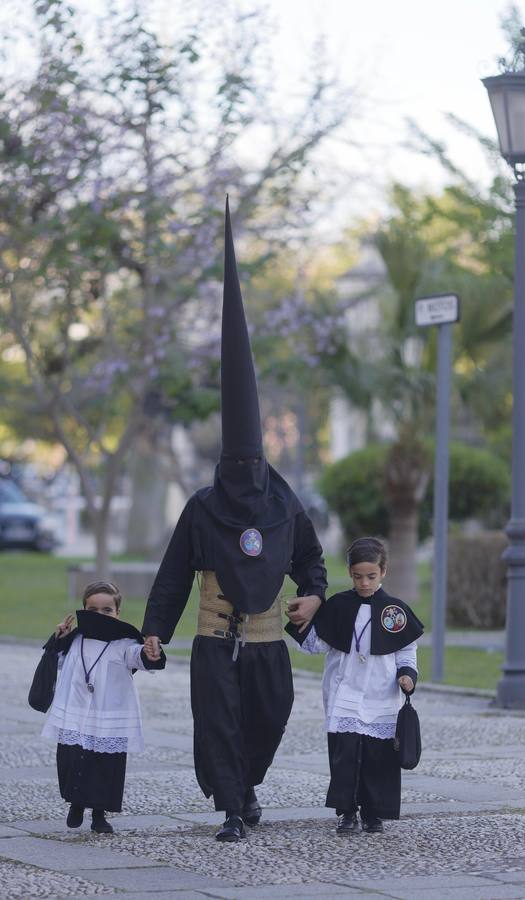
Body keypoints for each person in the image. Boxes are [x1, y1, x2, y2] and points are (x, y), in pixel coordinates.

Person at [142, 198, 327, 843]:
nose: (245, 473)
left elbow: (311, 559)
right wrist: (155, 632)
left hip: (269, 637)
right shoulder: (202, 508)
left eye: (253, 463)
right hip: (215, 637)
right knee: (219, 722)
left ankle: (247, 785)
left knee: (270, 715)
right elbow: (173, 576)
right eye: (236, 464)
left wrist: (313, 595)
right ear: (224, 463)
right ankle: (231, 805)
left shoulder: (284, 503)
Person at [286, 537, 423, 835]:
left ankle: (374, 812)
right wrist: (299, 620)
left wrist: (407, 675)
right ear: (350, 572)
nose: (364, 583)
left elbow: (406, 650)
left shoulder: (395, 611)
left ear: (383, 571)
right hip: (344, 691)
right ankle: (347, 811)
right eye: (358, 576)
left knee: (378, 756)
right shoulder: (338, 606)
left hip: (381, 693)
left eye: (371, 576)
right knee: (344, 755)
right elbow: (318, 644)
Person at [41, 581, 165, 834]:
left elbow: (138, 657)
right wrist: (58, 639)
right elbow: (57, 662)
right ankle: (76, 804)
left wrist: (149, 653)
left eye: (107, 609)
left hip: (107, 717)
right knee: (72, 761)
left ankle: (99, 814)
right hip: (76, 713)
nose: (100, 614)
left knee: (105, 766)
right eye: (93, 609)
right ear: (84, 610)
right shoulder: (76, 640)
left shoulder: (124, 643)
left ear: (118, 612)